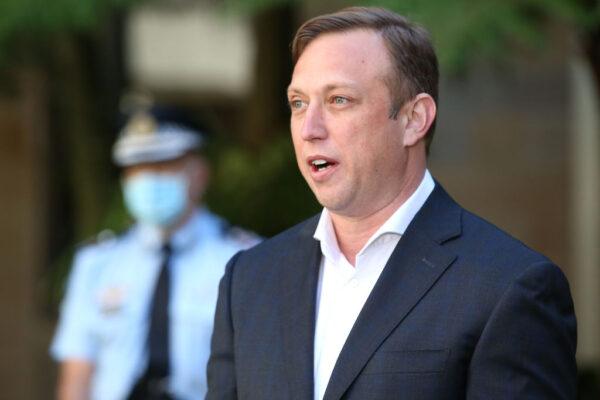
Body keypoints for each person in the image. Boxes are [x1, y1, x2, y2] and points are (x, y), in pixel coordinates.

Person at [206, 6, 577, 400]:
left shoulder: (509, 286)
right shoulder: (248, 279)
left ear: (414, 119)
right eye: (298, 103)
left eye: (339, 100)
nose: (309, 129)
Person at [51, 105, 259, 400]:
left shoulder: (244, 260)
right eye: (138, 169)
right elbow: (76, 377)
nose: (148, 180)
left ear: (198, 174)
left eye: (163, 167)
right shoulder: (97, 263)